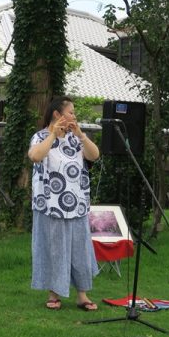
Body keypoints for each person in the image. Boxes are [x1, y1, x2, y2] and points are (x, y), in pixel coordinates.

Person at [28, 96, 100, 311]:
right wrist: (52, 135)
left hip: (76, 203)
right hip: (50, 204)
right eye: (71, 112)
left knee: (80, 250)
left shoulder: (75, 138)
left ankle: (82, 295)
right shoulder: (40, 136)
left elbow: (94, 155)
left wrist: (80, 135)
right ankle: (54, 293)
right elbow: (35, 156)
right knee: (54, 250)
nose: (74, 116)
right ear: (57, 115)